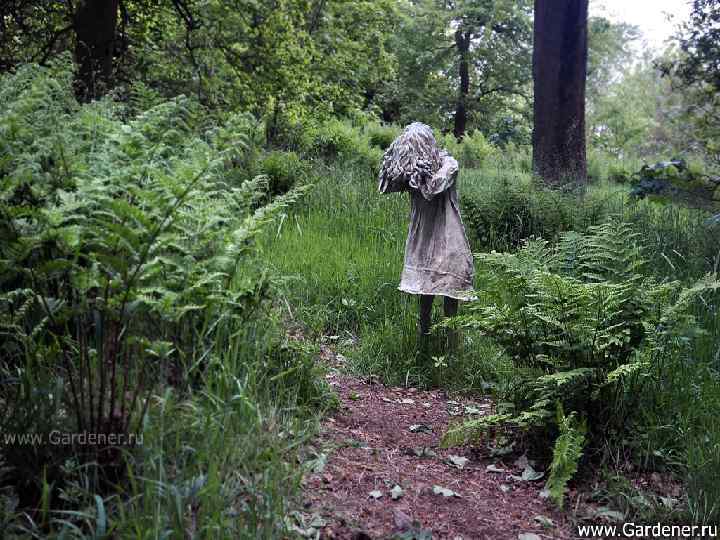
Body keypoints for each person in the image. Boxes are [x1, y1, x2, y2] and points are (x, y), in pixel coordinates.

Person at [378, 122, 475, 347]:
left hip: (447, 234)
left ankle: (451, 340)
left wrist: (418, 172)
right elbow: (385, 186)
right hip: (423, 237)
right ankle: (425, 337)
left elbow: (433, 188)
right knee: (425, 287)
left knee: (450, 286)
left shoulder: (449, 164)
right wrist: (400, 163)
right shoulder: (412, 171)